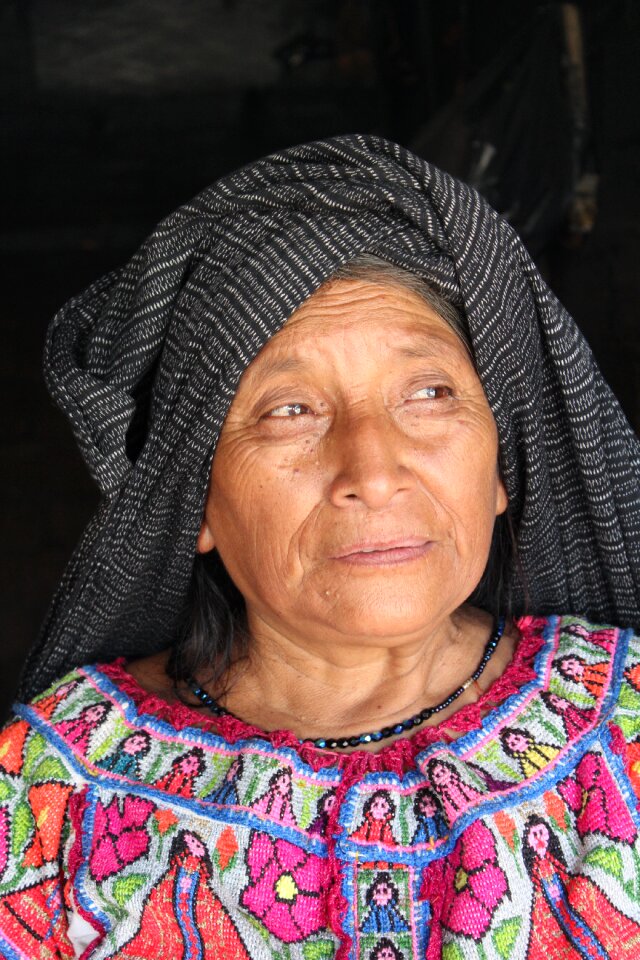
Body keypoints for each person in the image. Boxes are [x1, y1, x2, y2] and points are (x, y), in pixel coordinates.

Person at [0, 134, 639, 960]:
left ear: (499, 468)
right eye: (290, 411)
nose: (372, 472)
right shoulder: (47, 795)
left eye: (429, 393)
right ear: (194, 503)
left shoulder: (624, 725)